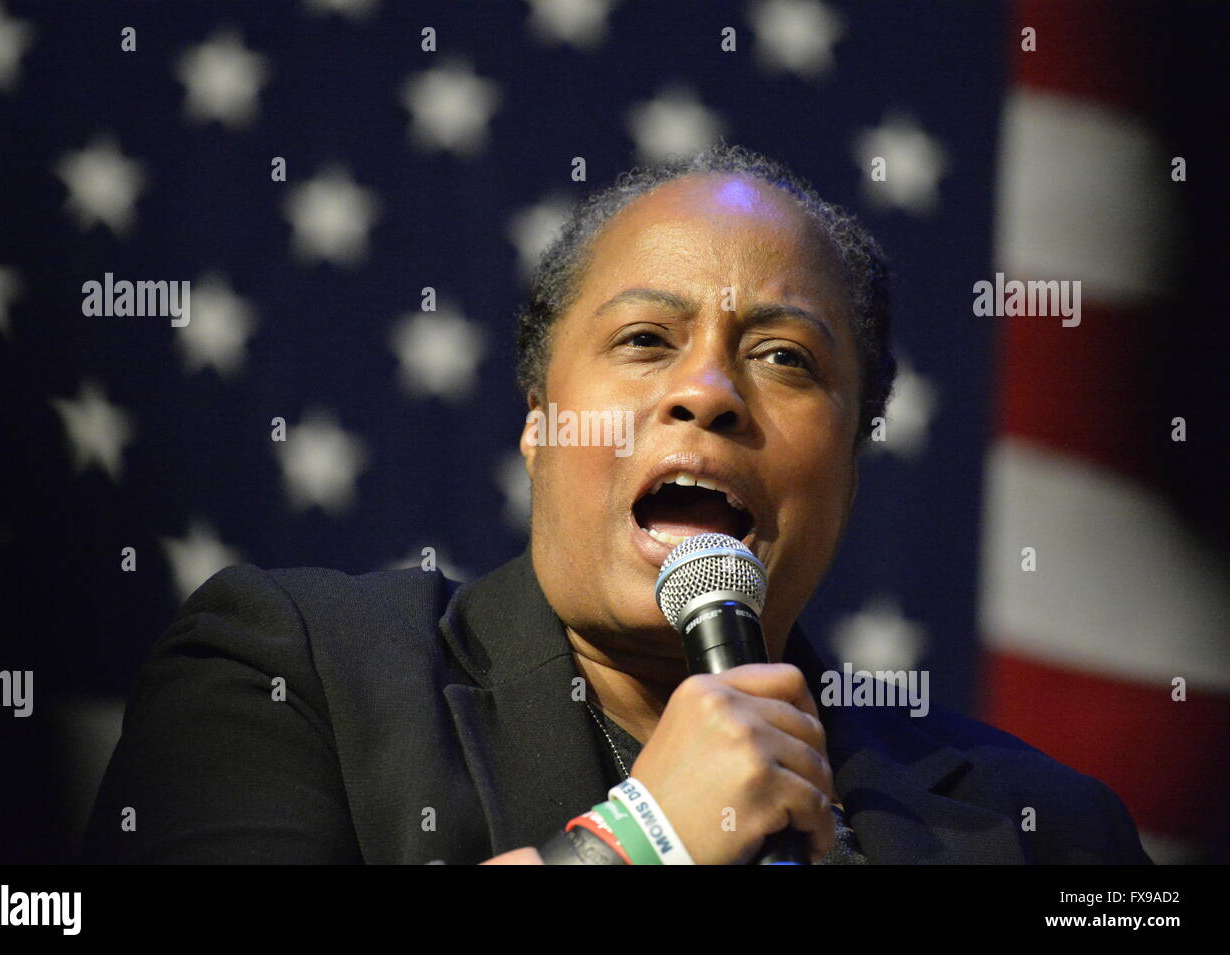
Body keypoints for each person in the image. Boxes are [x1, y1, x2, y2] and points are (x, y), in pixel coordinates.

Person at [80, 143, 1152, 865]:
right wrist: (642, 842)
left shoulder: (1045, 829)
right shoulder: (290, 670)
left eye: (784, 358)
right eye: (645, 340)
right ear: (541, 422)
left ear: (853, 462)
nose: (708, 392)